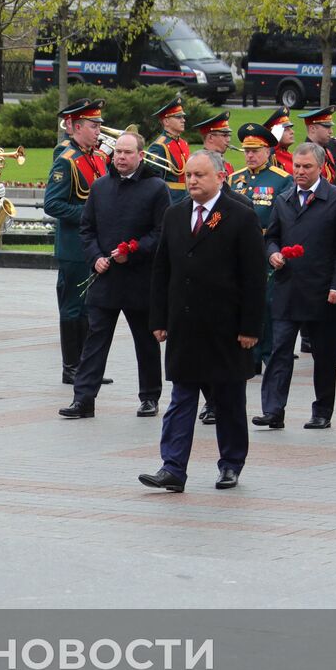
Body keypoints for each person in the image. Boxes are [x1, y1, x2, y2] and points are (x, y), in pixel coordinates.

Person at [140, 149, 265, 493]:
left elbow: (254, 277)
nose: (191, 181)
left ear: (220, 177)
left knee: (228, 400)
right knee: (181, 398)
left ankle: (231, 463)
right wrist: (159, 318)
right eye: (188, 175)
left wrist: (250, 327)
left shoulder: (240, 215)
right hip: (185, 326)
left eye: (199, 175)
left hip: (226, 329)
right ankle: (173, 467)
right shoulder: (175, 214)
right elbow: (162, 269)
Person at [59, 131, 168, 419]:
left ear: (140, 156)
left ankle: (149, 397)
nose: (120, 157)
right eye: (117, 152)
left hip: (139, 279)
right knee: (95, 340)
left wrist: (133, 251)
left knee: (145, 341)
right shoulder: (100, 187)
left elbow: (160, 234)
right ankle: (83, 399)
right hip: (105, 278)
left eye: (127, 152)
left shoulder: (156, 188)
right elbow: (87, 228)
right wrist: (95, 258)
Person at [256, 142, 336, 430]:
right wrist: (272, 252)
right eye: (296, 166)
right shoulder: (284, 199)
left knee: (324, 355)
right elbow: (271, 236)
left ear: (320, 167)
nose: (299, 172)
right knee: (279, 350)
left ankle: (322, 411)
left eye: (306, 167)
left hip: (322, 290)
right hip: (288, 288)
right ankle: (273, 410)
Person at [46, 99, 110, 385]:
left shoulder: (95, 157)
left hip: (94, 245)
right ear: (77, 127)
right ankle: (71, 366)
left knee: (89, 307)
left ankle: (86, 364)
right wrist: (89, 215)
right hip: (74, 246)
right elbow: (53, 204)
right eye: (93, 126)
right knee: (73, 307)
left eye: (98, 125)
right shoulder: (67, 159)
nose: (99, 130)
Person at [229, 122, 294, 373]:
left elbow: (285, 220)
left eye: (256, 150)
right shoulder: (235, 179)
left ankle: (266, 354)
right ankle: (247, 355)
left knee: (265, 304)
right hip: (237, 250)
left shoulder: (281, 180)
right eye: (246, 150)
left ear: (268, 151)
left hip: (265, 246)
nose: (250, 155)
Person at [146, 95, 190, 204]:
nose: (183, 120)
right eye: (178, 117)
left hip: (187, 198)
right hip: (170, 200)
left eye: (183, 117)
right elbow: (152, 180)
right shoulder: (159, 146)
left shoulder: (183, 143)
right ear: (166, 121)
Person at [299, 106, 336, 182]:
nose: (331, 132)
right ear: (312, 128)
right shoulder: (305, 154)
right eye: (327, 127)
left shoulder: (326, 150)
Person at [193, 111, 233, 180]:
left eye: (229, 136)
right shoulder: (199, 164)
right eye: (225, 135)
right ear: (211, 138)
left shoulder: (228, 166)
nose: (228, 140)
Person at [263, 107, 296, 174]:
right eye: (286, 130)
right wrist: (273, 140)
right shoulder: (270, 157)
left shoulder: (291, 156)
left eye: (290, 128)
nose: (292, 132)